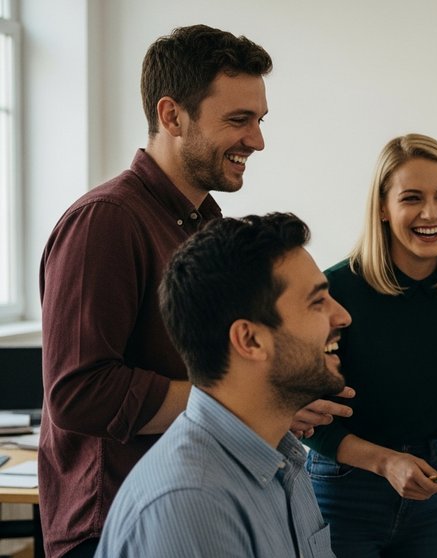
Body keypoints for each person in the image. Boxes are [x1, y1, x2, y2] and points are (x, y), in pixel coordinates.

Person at [37, 25, 348, 557]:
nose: (257, 140)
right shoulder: (106, 222)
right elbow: (77, 393)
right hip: (115, 520)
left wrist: (271, 401)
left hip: (212, 501)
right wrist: (249, 403)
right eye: (238, 120)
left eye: (260, 120)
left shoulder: (203, 224)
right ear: (171, 116)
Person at [96, 212, 346, 557]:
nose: (343, 317)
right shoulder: (191, 504)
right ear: (250, 340)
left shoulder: (284, 459)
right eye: (317, 302)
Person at [302, 133, 437, 557]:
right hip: (343, 486)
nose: (431, 213)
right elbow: (306, 413)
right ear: (382, 208)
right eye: (412, 198)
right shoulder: (335, 289)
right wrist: (385, 461)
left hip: (428, 485)